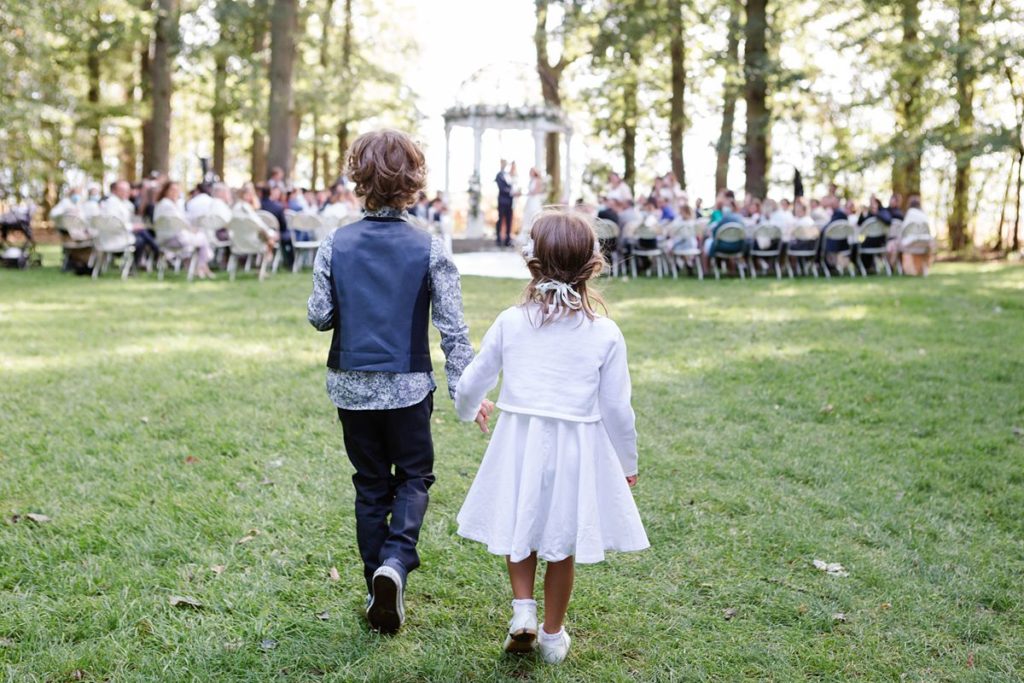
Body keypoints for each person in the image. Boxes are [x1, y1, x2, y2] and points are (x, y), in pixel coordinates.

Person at [453, 209, 648, 664]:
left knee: (521, 524)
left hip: (519, 443)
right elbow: (618, 408)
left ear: (531, 262)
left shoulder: (511, 320)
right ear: (592, 265)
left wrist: (468, 409)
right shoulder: (605, 333)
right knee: (562, 542)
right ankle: (553, 636)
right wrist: (627, 462)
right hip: (575, 450)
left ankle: (523, 608)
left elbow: (475, 379)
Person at [306, 129, 474, 635]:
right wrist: (464, 389)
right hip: (407, 383)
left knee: (370, 483)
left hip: (351, 385)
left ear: (359, 177)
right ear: (413, 181)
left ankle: (374, 582)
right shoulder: (430, 246)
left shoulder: (335, 242)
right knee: (415, 476)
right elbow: (453, 328)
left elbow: (319, 316)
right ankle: (396, 563)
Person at [154, 180, 214, 279]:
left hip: (165, 239)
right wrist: (191, 229)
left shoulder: (164, 204)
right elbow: (179, 222)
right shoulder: (167, 205)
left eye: (177, 190)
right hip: (172, 239)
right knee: (202, 238)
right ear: (166, 191)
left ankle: (200, 267)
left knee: (200, 238)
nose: (175, 193)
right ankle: (201, 267)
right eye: (172, 190)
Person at [103, 180, 160, 266]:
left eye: (127, 190)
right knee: (141, 238)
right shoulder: (111, 203)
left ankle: (154, 251)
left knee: (142, 232)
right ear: (114, 190)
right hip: (114, 237)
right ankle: (155, 251)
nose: (125, 193)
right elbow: (114, 224)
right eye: (122, 190)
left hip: (122, 234)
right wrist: (132, 227)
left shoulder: (125, 203)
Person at [495, 159, 514, 247]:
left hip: (510, 202)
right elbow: (502, 188)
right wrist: (511, 191)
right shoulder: (499, 175)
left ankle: (507, 239)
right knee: (500, 219)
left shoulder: (509, 175)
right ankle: (498, 238)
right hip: (502, 201)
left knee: (509, 220)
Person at [521, 167, 545, 235]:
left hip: (534, 199)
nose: (530, 173)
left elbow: (538, 191)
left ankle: (535, 231)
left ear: (534, 173)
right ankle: (526, 232)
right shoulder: (531, 181)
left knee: (534, 213)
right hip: (530, 199)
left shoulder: (538, 180)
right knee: (527, 214)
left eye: (531, 171)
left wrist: (529, 193)